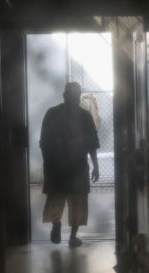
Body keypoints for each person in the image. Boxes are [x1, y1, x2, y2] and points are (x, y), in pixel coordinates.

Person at [40, 82, 100, 247]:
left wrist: (47, 162)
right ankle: (73, 237)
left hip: (55, 165)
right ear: (78, 97)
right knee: (78, 202)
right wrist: (96, 166)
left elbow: (44, 142)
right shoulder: (85, 115)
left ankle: (56, 223)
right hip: (77, 166)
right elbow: (92, 144)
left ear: (64, 96)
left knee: (56, 197)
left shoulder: (52, 113)